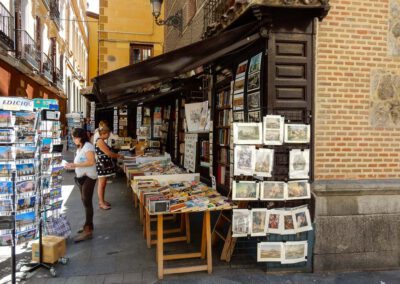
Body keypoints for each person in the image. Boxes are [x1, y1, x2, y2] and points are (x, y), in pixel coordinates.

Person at [65, 128, 97, 242]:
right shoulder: (80, 147)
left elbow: (91, 161)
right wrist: (72, 165)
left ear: (80, 137)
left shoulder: (88, 146)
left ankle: (88, 230)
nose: (73, 140)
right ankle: (88, 225)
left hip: (89, 176)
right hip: (82, 177)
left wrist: (74, 165)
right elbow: (82, 162)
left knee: (86, 201)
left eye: (74, 137)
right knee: (85, 202)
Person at [95, 126, 123, 210]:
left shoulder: (102, 141)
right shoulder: (100, 141)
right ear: (105, 133)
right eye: (108, 134)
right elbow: (108, 153)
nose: (109, 135)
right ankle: (101, 202)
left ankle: (102, 200)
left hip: (104, 165)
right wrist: (118, 156)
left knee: (103, 184)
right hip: (102, 165)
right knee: (101, 184)